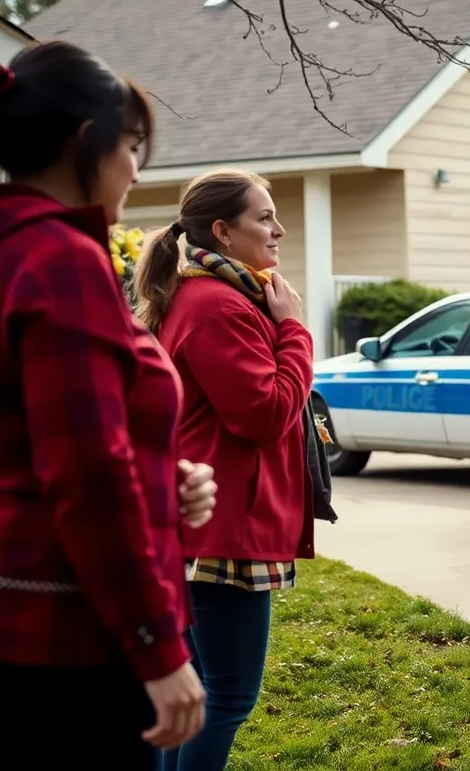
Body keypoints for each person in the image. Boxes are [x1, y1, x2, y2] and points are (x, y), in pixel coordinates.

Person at [0, 41, 213, 769]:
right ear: (85, 142)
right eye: (131, 146)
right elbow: (87, 474)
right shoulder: (58, 260)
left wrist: (156, 487)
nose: (136, 168)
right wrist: (158, 647)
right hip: (49, 642)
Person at [134, 168, 316, 770]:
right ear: (222, 230)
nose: (278, 230)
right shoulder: (216, 305)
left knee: (194, 696)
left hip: (212, 519)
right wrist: (293, 331)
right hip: (224, 528)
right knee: (226, 696)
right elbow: (263, 415)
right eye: (264, 217)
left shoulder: (213, 297)